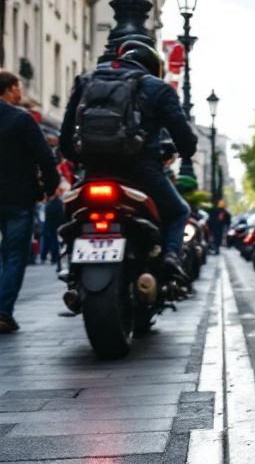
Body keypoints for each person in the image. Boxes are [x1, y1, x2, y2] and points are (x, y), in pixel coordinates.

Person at [60, 41, 197, 278]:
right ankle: (170, 257)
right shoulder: (158, 88)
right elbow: (185, 140)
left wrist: (79, 161)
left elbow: (66, 136)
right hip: (142, 172)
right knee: (179, 212)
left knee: (73, 211)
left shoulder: (86, 81)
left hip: (94, 171)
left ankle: (72, 261)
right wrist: (184, 150)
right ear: (153, 67)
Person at [0, 71, 60, 333]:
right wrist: (49, 186)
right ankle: (3, 312)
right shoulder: (21, 119)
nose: (20, 91)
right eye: (19, 86)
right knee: (15, 255)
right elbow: (45, 157)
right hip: (17, 198)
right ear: (10, 89)